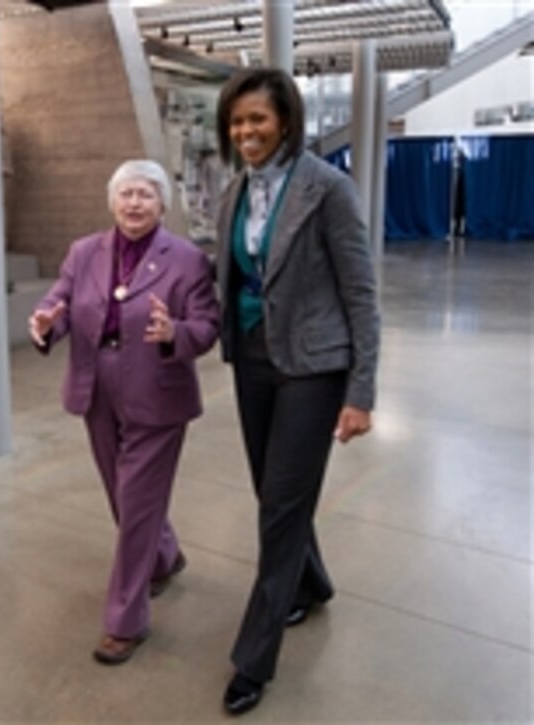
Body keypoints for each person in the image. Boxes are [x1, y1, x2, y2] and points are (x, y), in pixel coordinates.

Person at [213, 68, 380, 715]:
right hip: (252, 359)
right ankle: (311, 582)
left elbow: (361, 293)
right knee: (274, 492)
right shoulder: (234, 193)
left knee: (280, 506)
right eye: (236, 122)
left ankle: (253, 657)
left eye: (256, 118)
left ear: (286, 119)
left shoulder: (328, 188)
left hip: (314, 366)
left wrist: (361, 390)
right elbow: (223, 280)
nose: (246, 132)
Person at [29, 159, 220, 666]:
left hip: (158, 389)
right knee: (122, 492)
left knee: (135, 503)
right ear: (112, 201)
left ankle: (125, 620)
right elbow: (62, 299)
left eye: (145, 194)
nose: (134, 203)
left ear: (162, 204)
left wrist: (175, 333)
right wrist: (49, 319)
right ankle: (165, 556)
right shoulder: (84, 251)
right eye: (126, 194)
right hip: (96, 386)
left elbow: (207, 325)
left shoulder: (187, 260)